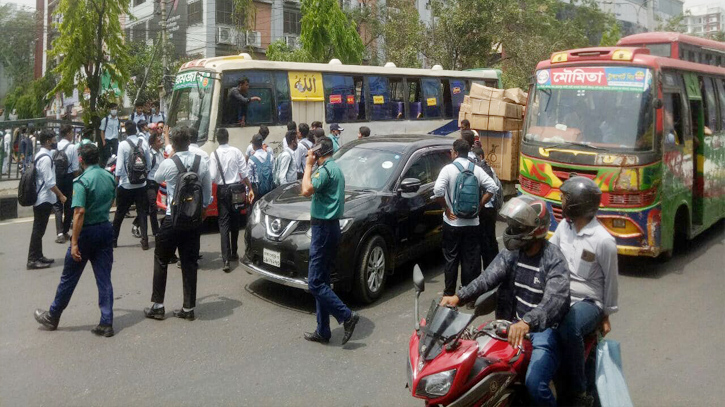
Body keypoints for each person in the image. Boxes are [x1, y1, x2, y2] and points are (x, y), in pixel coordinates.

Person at [439, 195, 570, 407]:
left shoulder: (554, 260)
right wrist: (458, 297)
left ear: (534, 230)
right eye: (512, 225)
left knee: (535, 383)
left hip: (542, 332)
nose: (511, 230)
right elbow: (486, 278)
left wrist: (527, 322)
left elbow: (555, 301)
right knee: (472, 366)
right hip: (508, 326)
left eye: (517, 226)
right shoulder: (512, 254)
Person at [33, 143, 117, 337]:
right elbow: (112, 201)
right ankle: (106, 321)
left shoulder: (81, 181)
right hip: (105, 228)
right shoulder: (109, 177)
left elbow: (79, 213)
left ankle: (53, 315)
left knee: (69, 278)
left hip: (87, 232)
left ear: (81, 160)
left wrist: (74, 242)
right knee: (104, 278)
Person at [550, 176, 619, 407]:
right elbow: (551, 258)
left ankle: (579, 390)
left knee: (570, 327)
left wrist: (606, 315)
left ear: (578, 204)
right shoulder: (563, 227)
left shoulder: (603, 241)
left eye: (565, 198)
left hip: (590, 301)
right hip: (561, 295)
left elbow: (611, 281)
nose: (562, 201)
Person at [144, 126, 212, 321]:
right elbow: (207, 190)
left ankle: (158, 306)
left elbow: (156, 178)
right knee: (189, 263)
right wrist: (204, 208)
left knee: (161, 260)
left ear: (173, 144)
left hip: (172, 219)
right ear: (189, 142)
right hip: (193, 219)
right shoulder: (202, 161)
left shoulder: (169, 163)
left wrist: (170, 157)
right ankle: (188, 308)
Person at [300, 136, 359, 345]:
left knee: (315, 283)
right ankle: (323, 330)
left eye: (314, 153)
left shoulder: (325, 171)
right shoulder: (335, 169)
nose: (312, 155)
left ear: (319, 154)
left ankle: (347, 316)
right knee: (322, 280)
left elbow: (306, 190)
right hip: (329, 227)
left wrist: (307, 167)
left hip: (323, 229)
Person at [433, 138, 498, 296]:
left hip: (452, 223)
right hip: (472, 223)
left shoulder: (448, 169)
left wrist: (447, 208)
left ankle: (449, 294)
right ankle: (468, 295)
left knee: (451, 258)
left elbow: (437, 191)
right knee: (470, 259)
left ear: (454, 153)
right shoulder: (476, 169)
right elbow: (492, 187)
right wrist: (480, 205)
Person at [210, 128, 254, 272]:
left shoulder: (214, 154)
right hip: (237, 189)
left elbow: (212, 175)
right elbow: (244, 172)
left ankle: (225, 259)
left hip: (222, 190)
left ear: (217, 139)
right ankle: (234, 252)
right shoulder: (236, 152)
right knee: (235, 220)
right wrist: (250, 188)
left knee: (223, 224)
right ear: (228, 138)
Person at [27, 129, 68, 269]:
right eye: (54, 139)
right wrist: (61, 195)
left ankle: (39, 256)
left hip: (43, 198)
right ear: (48, 141)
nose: (56, 141)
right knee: (38, 231)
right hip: (43, 199)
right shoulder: (45, 158)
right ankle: (32, 260)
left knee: (40, 230)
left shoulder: (42, 155)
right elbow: (50, 182)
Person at [112, 121, 152, 250]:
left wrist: (117, 182)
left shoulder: (123, 144)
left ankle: (113, 240)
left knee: (120, 213)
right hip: (141, 184)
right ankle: (145, 240)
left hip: (126, 185)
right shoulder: (143, 142)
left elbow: (119, 167)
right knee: (142, 212)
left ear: (126, 132)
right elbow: (149, 163)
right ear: (136, 130)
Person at [472, 146, 501, 269]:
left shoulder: (482, 169)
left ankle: (490, 271)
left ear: (480, 157)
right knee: (490, 241)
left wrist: (479, 205)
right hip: (490, 209)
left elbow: (492, 188)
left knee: (485, 241)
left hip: (485, 209)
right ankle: (493, 269)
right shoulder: (489, 169)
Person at [132, 132, 165, 238]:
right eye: (158, 140)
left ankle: (136, 224)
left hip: (157, 183)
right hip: (150, 183)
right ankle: (156, 231)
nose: (161, 141)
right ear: (153, 143)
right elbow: (146, 168)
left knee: (146, 207)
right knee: (153, 206)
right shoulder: (150, 155)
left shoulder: (160, 153)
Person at [53, 124, 80, 244]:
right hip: (69, 178)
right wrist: (78, 180)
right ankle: (64, 231)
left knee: (58, 205)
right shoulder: (72, 147)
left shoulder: (55, 146)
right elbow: (75, 168)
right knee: (68, 205)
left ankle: (59, 233)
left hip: (57, 178)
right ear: (68, 133)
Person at [247, 133, 275, 200]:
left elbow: (250, 177)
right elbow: (274, 172)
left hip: (257, 192)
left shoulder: (252, 159)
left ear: (253, 145)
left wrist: (248, 191)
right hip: (269, 191)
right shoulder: (270, 156)